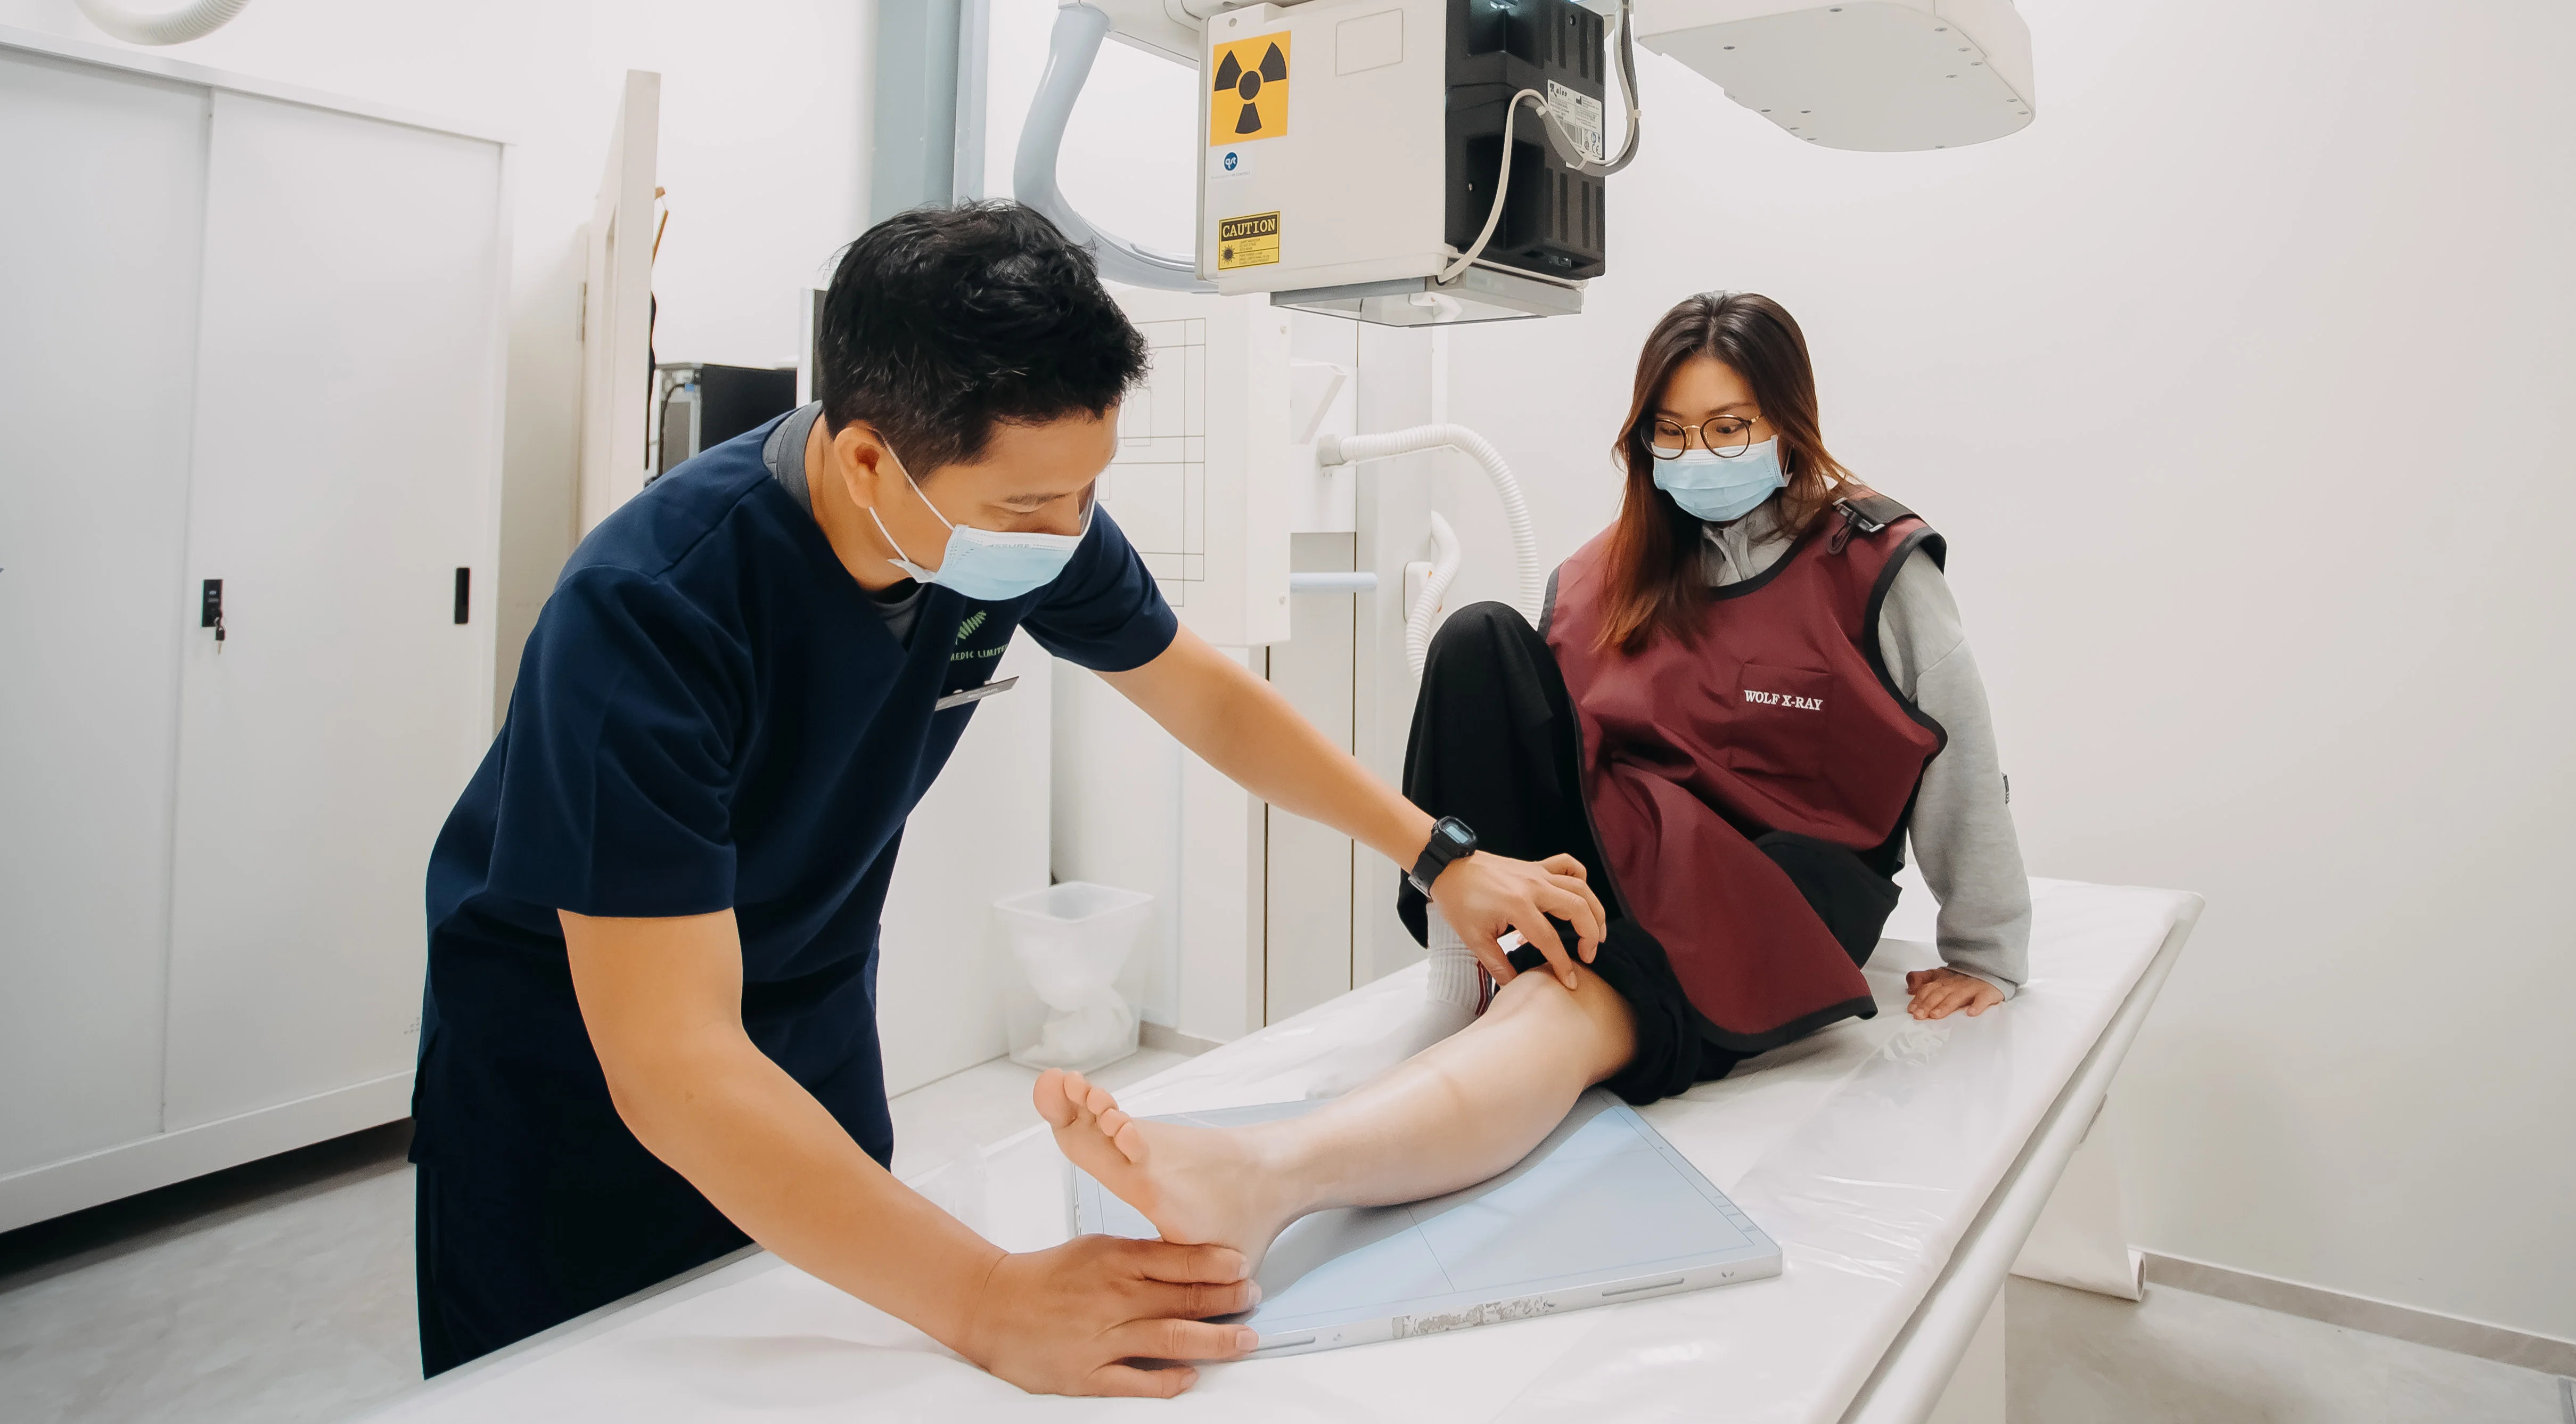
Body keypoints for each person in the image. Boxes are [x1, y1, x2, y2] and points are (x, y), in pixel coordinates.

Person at [411, 203, 1605, 1397]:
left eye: (1087, 491)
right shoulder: (649, 615)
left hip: (809, 1008)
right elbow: (670, 1062)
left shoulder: (1008, 519)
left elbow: (1208, 700)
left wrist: (1438, 853)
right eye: (1031, 508)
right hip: (578, 1084)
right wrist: (988, 1294)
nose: (1069, 532)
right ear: (871, 457)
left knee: (843, 1371)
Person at [1035, 289, 2030, 1274]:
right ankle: (1480, 963)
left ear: (1788, 426)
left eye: (1732, 427)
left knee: (1574, 1003)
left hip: (1775, 882)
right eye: (1673, 432)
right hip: (1625, 845)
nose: (1701, 454)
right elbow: (1546, 743)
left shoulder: (1876, 565)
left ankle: (1267, 1177)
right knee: (1479, 639)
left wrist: (1983, 949)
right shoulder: (1605, 572)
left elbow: (1960, 744)